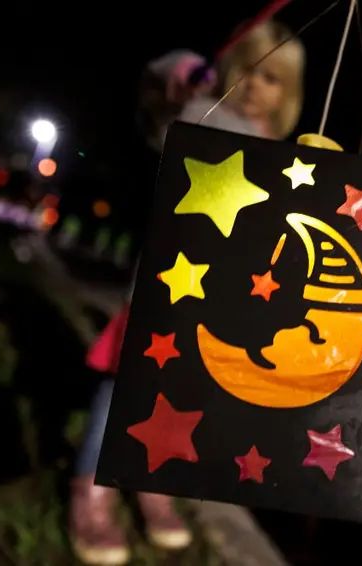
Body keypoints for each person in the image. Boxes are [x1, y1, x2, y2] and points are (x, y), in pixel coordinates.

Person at [69, 22, 305, 565]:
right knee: (125, 385)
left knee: (185, 394)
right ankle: (91, 489)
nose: (255, 85)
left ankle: (151, 480)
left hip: (218, 304)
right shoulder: (200, 112)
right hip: (163, 287)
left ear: (287, 94)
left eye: (272, 78)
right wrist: (183, 74)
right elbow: (157, 91)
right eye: (247, 69)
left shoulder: (281, 154)